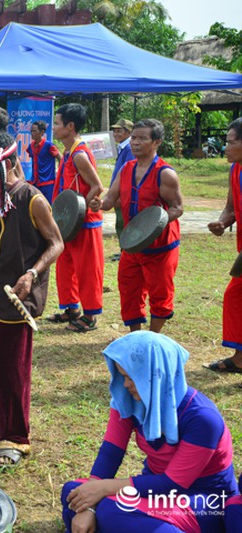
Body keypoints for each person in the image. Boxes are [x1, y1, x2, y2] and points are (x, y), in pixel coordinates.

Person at [0, 129, 63, 468]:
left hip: (16, 298)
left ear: (6, 165)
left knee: (12, 369)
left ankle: (15, 437)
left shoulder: (32, 199)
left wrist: (32, 273)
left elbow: (56, 243)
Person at [61, 331, 238, 533]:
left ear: (157, 376)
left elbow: (173, 483)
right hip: (155, 489)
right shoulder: (129, 400)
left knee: (111, 511)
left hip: (202, 500)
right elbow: (111, 452)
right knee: (73, 493)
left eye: (132, 377)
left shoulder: (203, 418)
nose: (125, 384)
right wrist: (88, 504)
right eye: (122, 376)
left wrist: (102, 489)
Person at [98, 119, 183, 334]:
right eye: (134, 138)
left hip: (160, 247)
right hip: (131, 245)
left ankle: (153, 338)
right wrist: (95, 204)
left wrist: (154, 224)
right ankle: (135, 336)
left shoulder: (165, 174)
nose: (135, 143)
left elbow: (177, 208)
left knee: (160, 294)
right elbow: (109, 201)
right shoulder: (126, 168)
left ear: (156, 142)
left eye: (142, 138)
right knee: (129, 291)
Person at [48, 103, 105, 332]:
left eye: (57, 123)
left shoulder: (80, 154)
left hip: (84, 223)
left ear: (70, 126)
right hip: (68, 222)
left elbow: (96, 186)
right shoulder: (68, 151)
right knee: (65, 265)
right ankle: (72, 309)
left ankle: (90, 316)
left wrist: (79, 212)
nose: (53, 127)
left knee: (87, 269)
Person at [204, 117, 242, 374]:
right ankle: (239, 358)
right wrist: (222, 221)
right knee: (235, 296)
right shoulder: (234, 169)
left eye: (230, 143)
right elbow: (231, 206)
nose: (225, 148)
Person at [110, 118, 135, 238]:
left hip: (123, 195)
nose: (115, 134)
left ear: (128, 133)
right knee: (120, 222)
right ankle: (123, 251)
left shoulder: (129, 149)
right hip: (118, 194)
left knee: (123, 223)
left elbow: (128, 173)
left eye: (119, 131)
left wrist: (120, 195)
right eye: (114, 131)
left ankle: (125, 251)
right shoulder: (122, 147)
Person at [26, 120, 61, 203]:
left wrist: (59, 173)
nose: (32, 133)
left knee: (49, 206)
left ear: (42, 132)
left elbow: (60, 158)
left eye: (34, 131)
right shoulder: (30, 147)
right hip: (35, 183)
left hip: (48, 183)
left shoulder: (49, 145)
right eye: (31, 131)